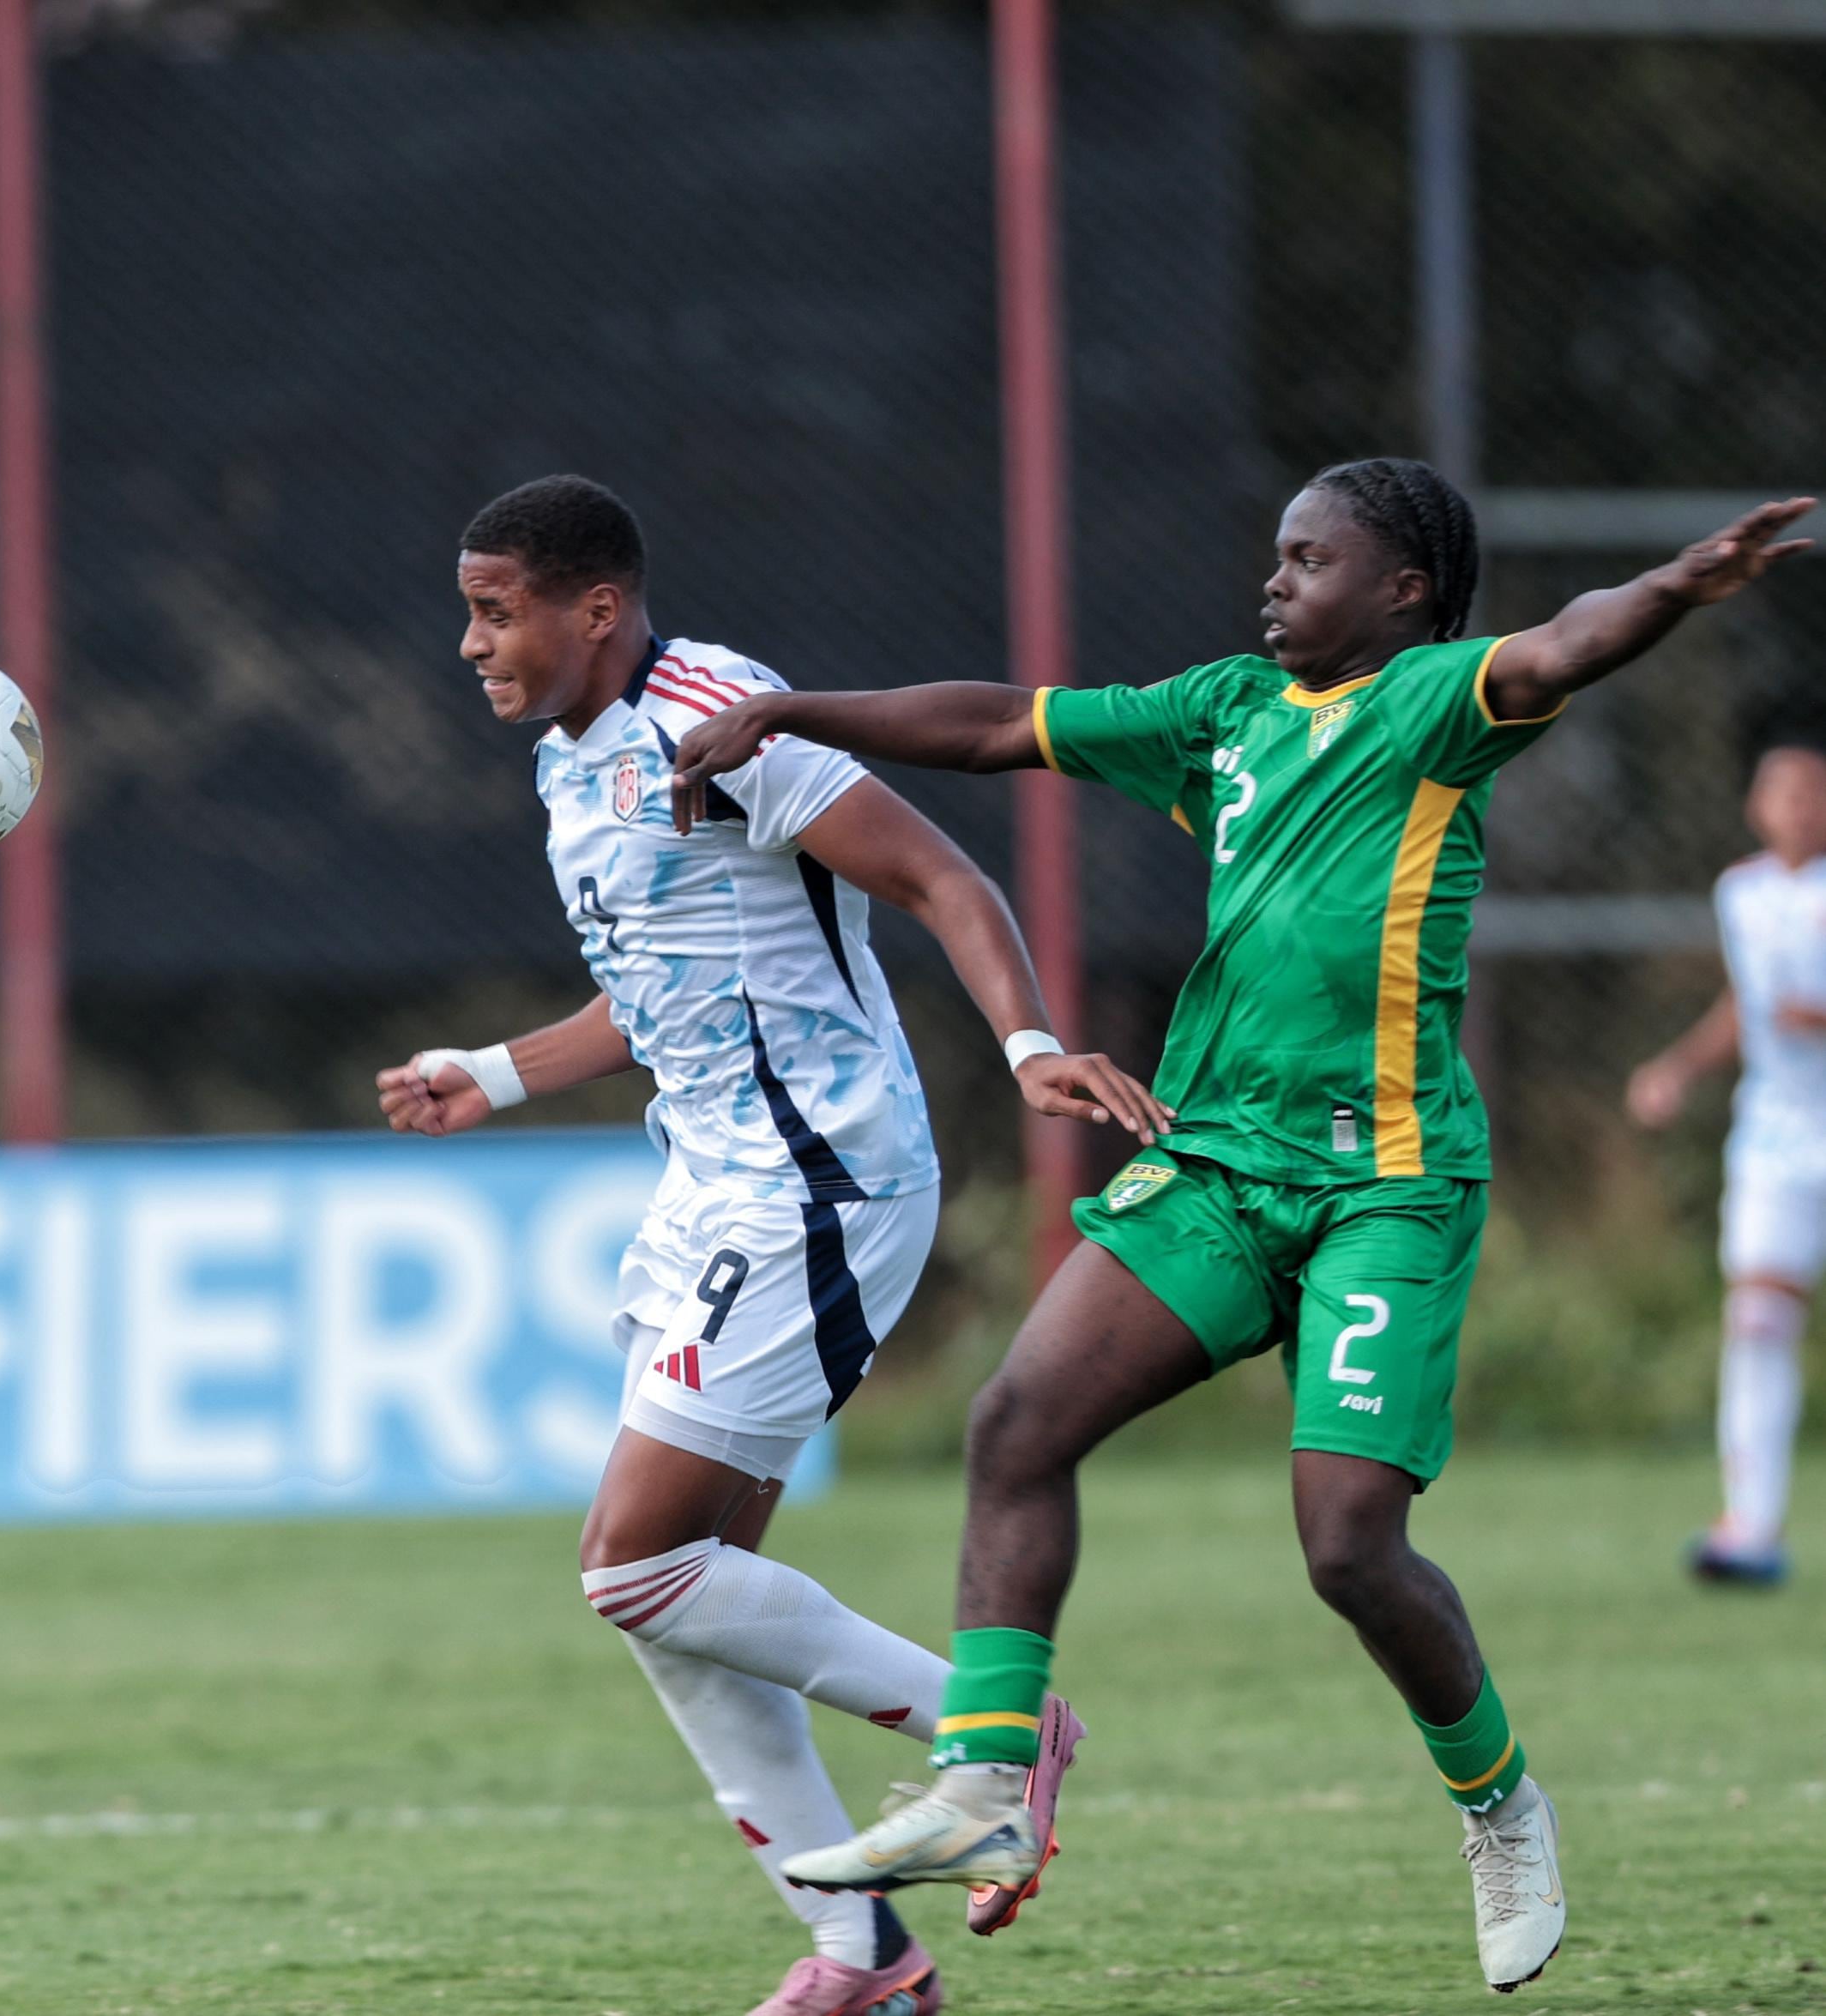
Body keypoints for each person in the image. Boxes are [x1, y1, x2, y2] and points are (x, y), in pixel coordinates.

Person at [672, 463, 1813, 1995]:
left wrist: (1669, 590)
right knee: (1015, 1421)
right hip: (1215, 1167)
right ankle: (983, 1790)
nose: (1271, 582)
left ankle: (1498, 1804)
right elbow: (999, 725)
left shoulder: (1429, 706)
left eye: (1306, 557)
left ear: (1399, 590)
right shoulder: (1223, 710)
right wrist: (793, 710)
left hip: (1382, 1188)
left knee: (1345, 1545)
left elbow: (1558, 646)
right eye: (1273, 556)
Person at [377, 475, 1167, 2016]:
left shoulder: (718, 712)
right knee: (679, 1595)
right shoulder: (571, 761)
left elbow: (941, 874)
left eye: (493, 609)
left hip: (817, 1183)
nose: (468, 641)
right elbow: (663, 991)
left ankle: (991, 1738)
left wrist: (1022, 1049)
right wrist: (494, 1072)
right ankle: (861, 1954)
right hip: (708, 1185)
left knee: (632, 1567)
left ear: (590, 607)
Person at [1627, 728, 1826, 1586]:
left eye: (1811, 792)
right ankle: (1748, 1526)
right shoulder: (1738, 893)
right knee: (1756, 1318)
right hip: (1778, 1137)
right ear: (1754, 806)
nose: (1796, 807)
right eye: (1781, 792)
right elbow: (1749, 1008)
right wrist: (1674, 1066)